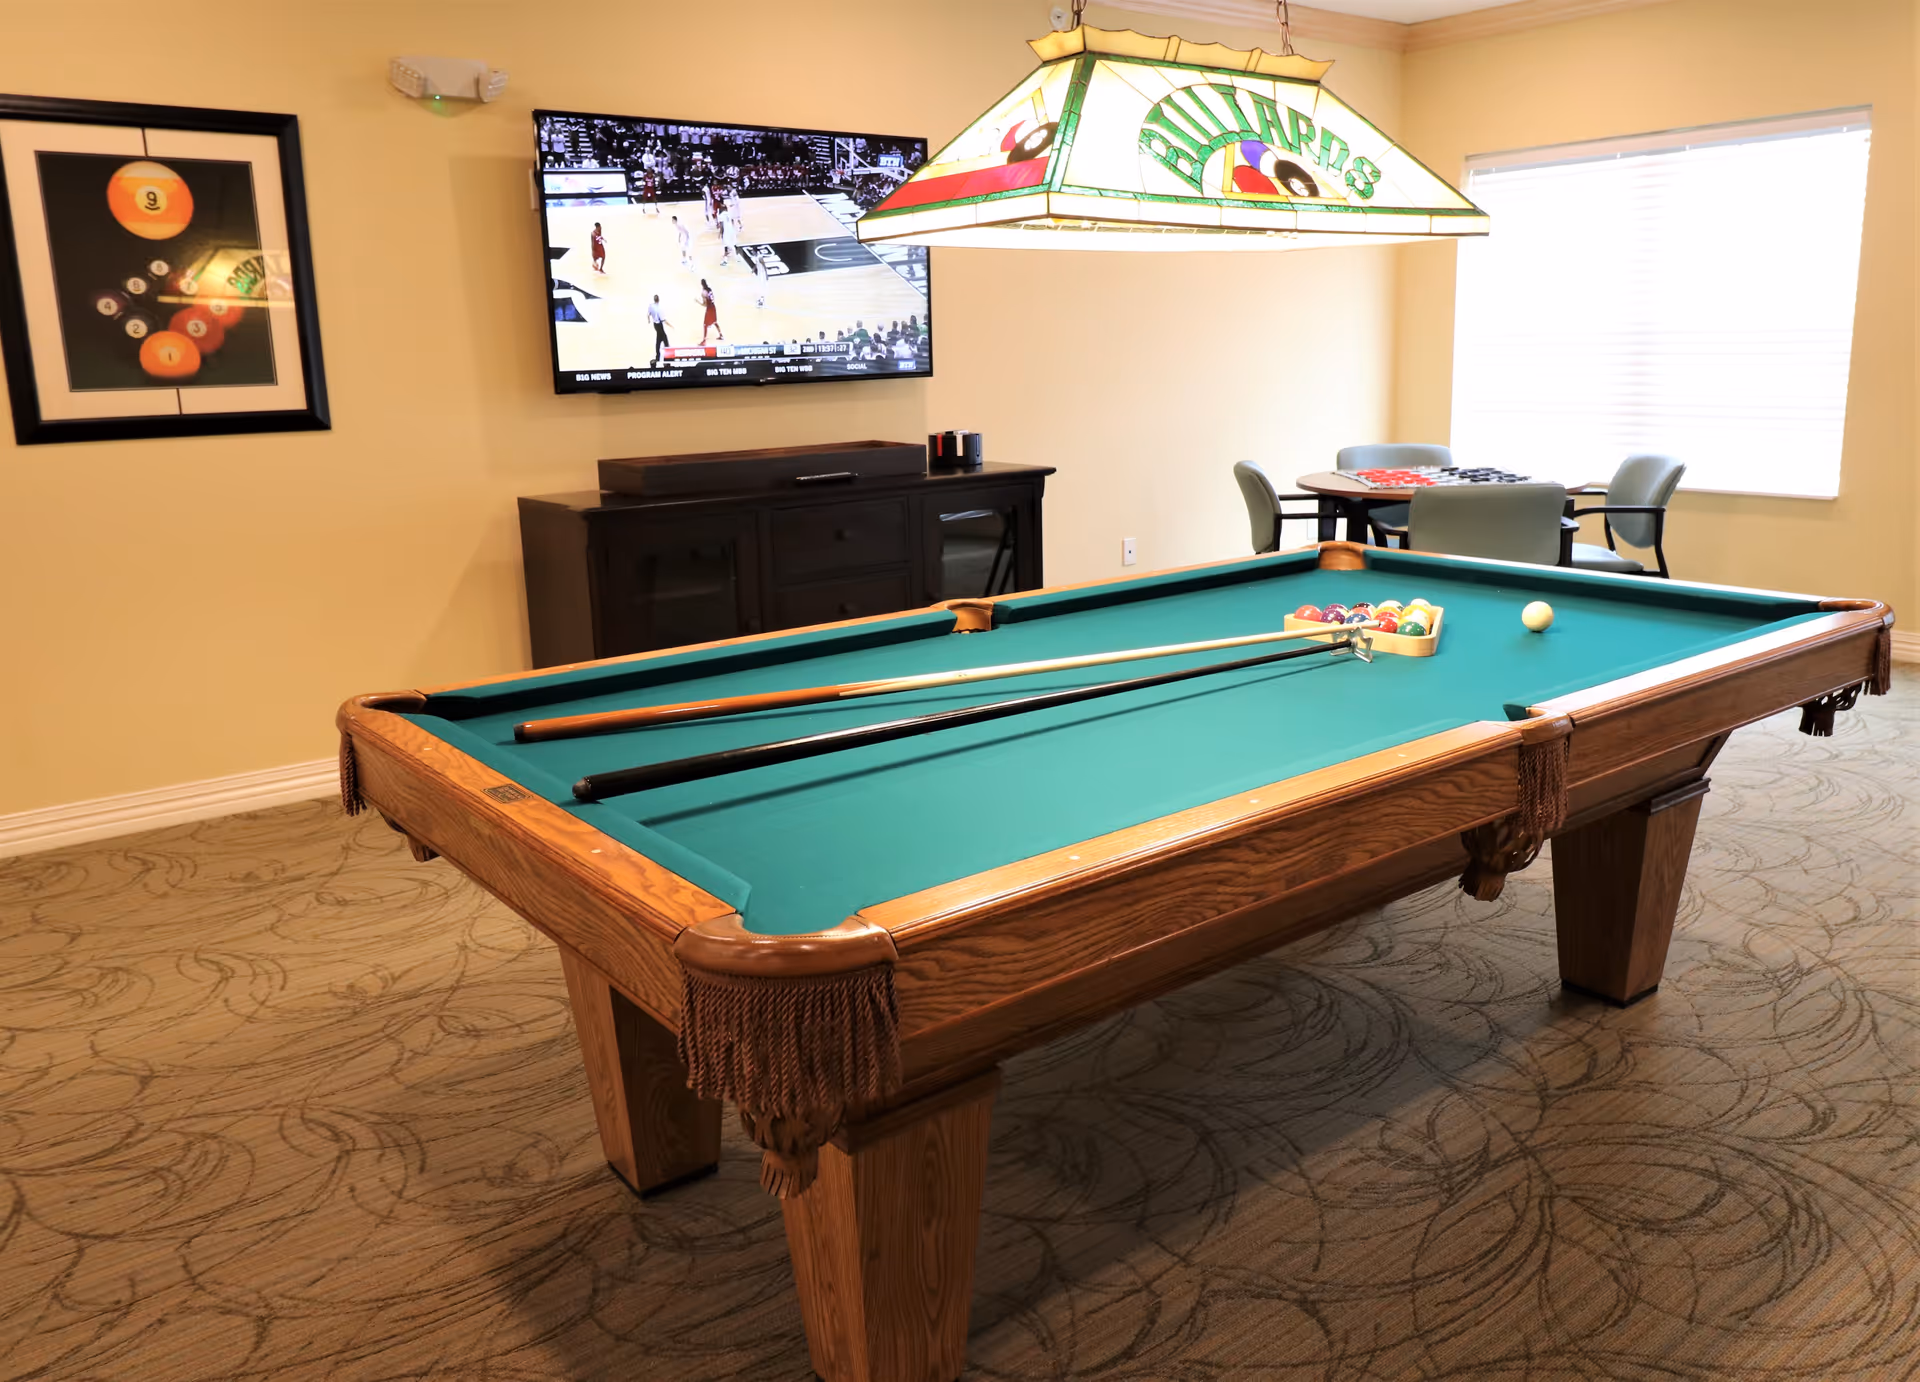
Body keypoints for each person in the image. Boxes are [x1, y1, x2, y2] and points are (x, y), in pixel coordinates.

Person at [648, 294, 671, 364]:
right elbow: (663, 320)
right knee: (663, 339)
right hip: (659, 325)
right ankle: (667, 355)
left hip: (655, 324)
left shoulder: (651, 306)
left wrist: (648, 320)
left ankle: (658, 356)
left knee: (660, 339)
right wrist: (671, 325)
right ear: (659, 299)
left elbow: (648, 314)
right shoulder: (659, 308)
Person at [699, 278, 723, 344]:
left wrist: (698, 302)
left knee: (705, 325)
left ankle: (704, 341)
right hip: (713, 307)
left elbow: (705, 305)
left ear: (701, 284)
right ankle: (721, 335)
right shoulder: (710, 289)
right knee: (715, 322)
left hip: (709, 309)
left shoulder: (704, 292)